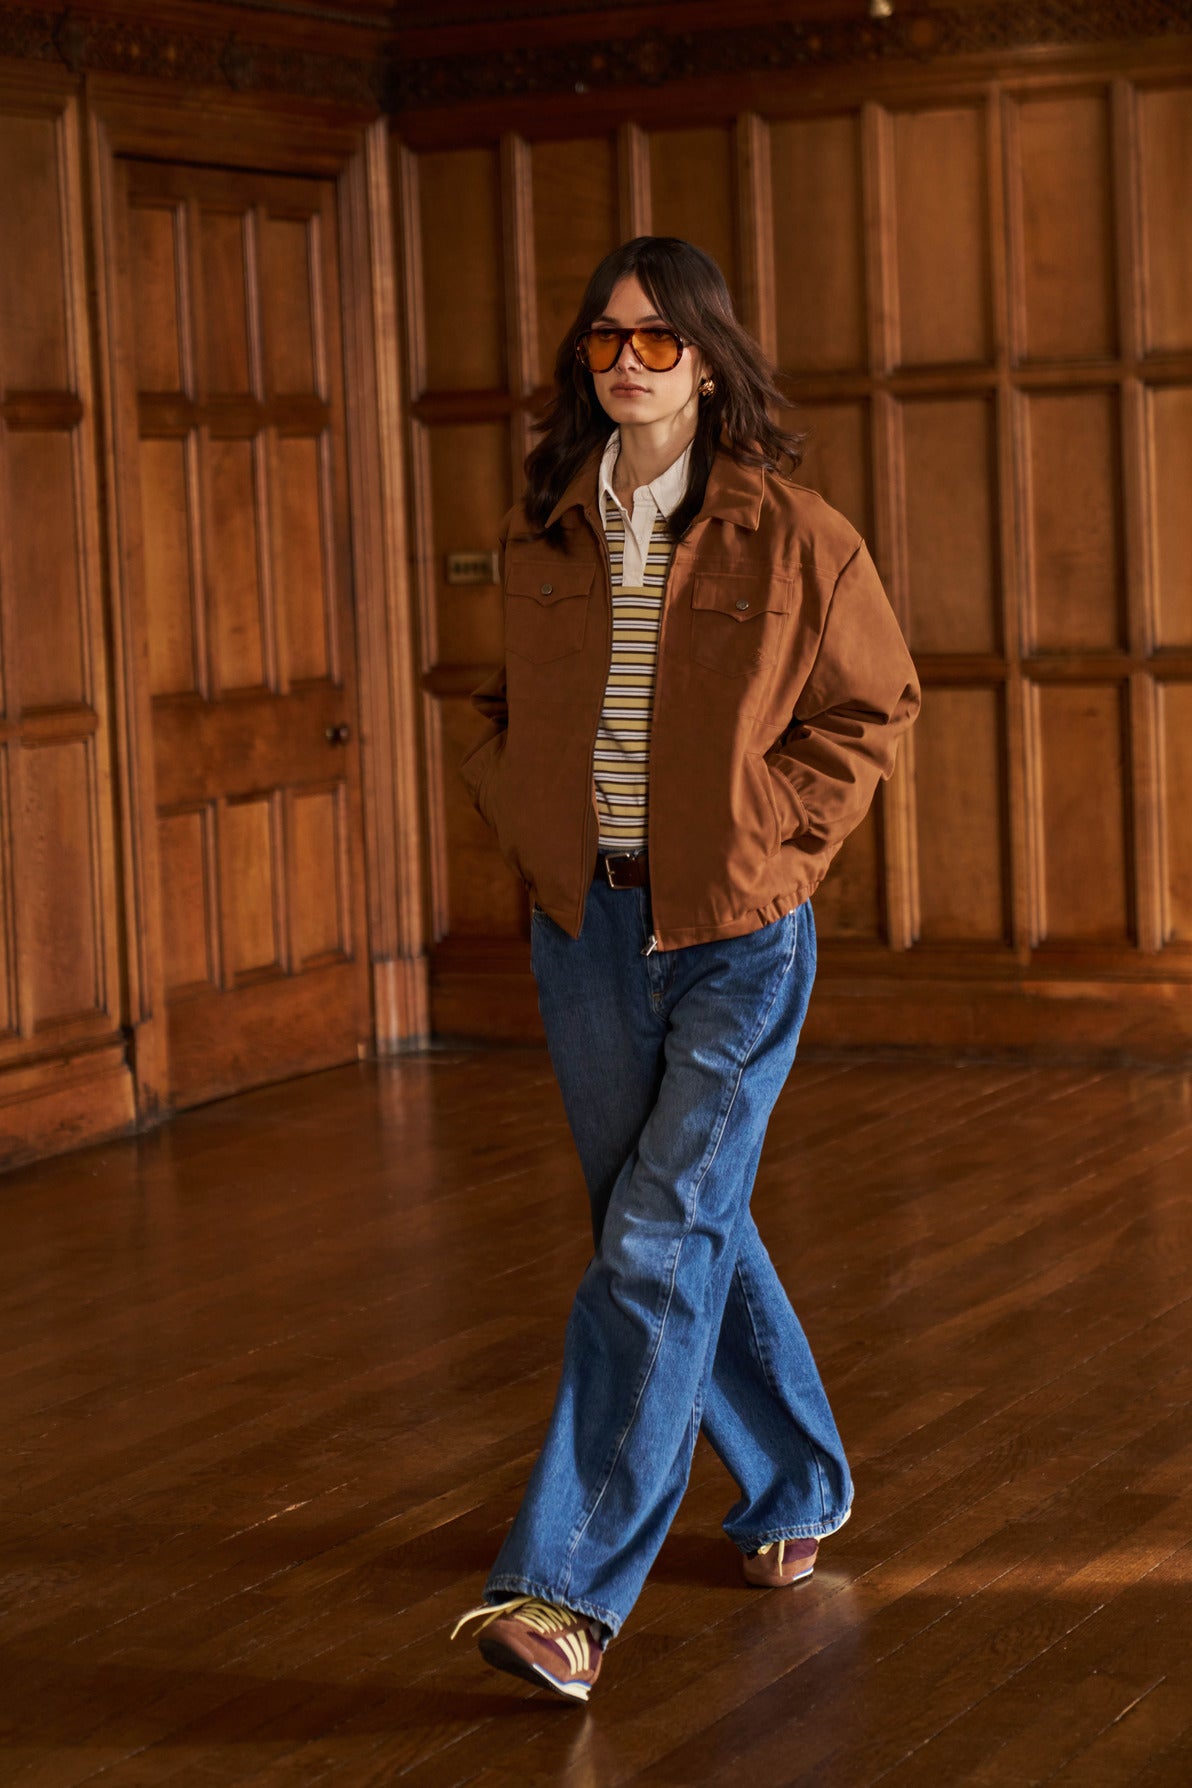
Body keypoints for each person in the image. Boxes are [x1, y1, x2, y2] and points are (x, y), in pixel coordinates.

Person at [451, 236, 920, 1703]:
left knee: (660, 1239)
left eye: (658, 340)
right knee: (664, 1222)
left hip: (736, 937)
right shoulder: (547, 527)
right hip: (584, 935)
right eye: (606, 339)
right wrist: (522, 815)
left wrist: (776, 837)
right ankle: (796, 1480)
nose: (628, 363)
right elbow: (495, 705)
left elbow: (872, 706)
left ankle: (565, 1594)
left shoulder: (795, 533)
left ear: (709, 363)